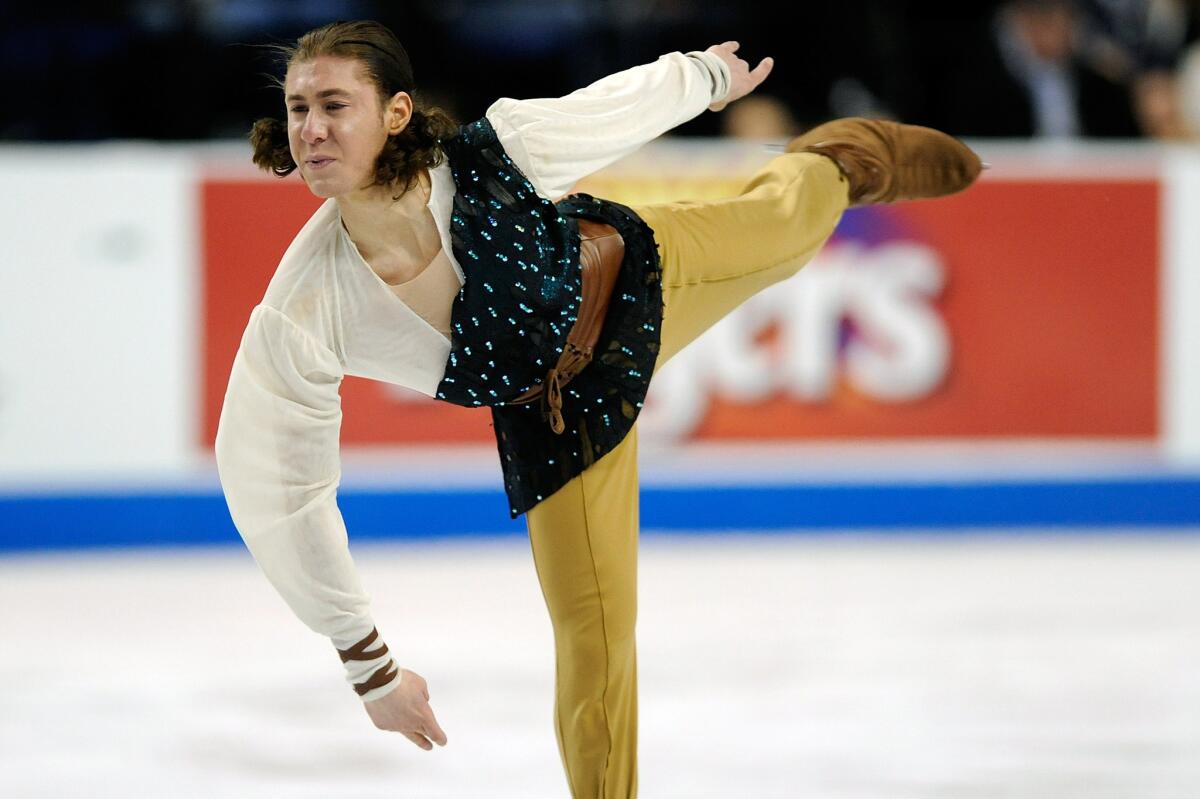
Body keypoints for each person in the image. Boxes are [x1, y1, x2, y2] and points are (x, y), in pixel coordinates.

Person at [214, 19, 981, 799]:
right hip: (556, 418)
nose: (310, 130)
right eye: (297, 108)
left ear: (397, 113)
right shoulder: (303, 308)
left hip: (631, 285)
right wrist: (369, 666)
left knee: (788, 230)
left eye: (334, 105)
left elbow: (603, 109)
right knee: (594, 640)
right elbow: (276, 487)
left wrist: (704, 77)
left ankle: (843, 158)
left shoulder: (486, 153)